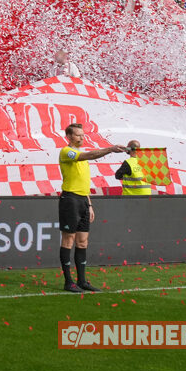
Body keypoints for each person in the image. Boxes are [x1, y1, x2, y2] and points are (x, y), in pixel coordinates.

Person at [58, 123, 128, 292]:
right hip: (70, 200)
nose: (82, 137)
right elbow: (88, 156)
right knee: (68, 240)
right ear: (69, 136)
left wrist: (89, 204)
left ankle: (82, 281)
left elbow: (84, 182)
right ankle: (68, 282)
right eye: (78, 135)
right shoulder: (67, 152)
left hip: (82, 200)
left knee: (82, 242)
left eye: (82, 135)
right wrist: (110, 149)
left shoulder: (81, 155)